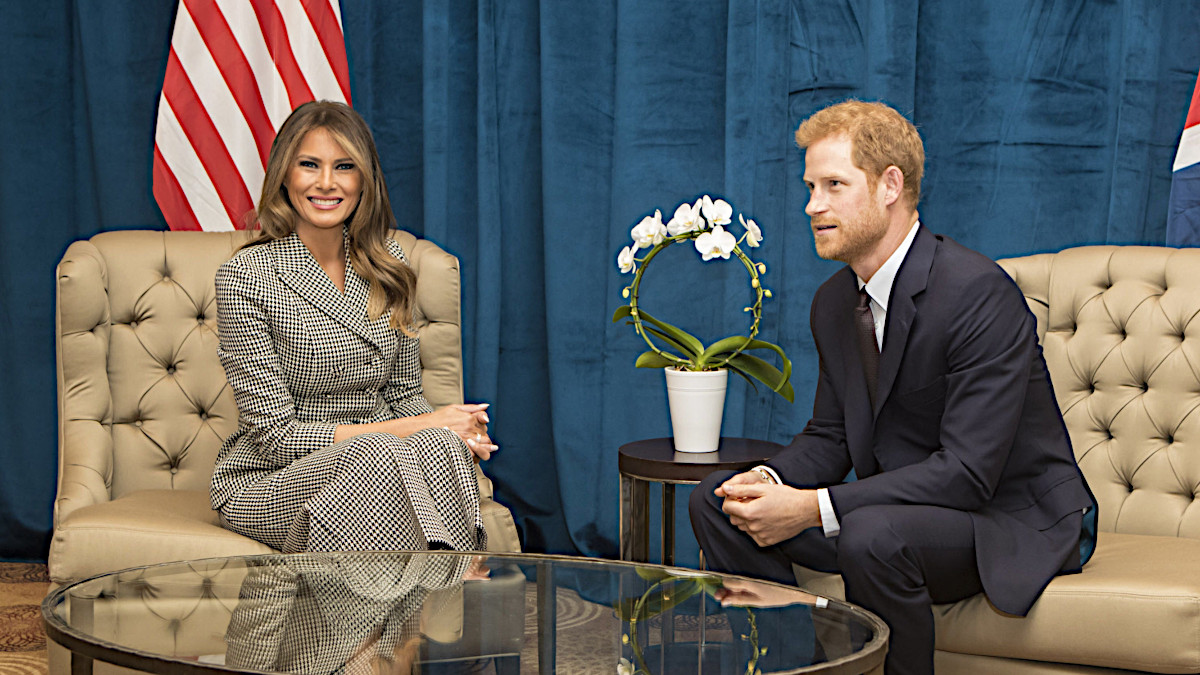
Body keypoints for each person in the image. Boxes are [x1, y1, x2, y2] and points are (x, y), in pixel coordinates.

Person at [689, 100, 1097, 675]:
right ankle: (792, 664)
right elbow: (830, 437)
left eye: (833, 184)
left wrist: (812, 507)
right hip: (893, 516)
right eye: (810, 186)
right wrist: (768, 480)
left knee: (871, 534)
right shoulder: (833, 302)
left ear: (890, 185)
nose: (812, 205)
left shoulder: (978, 292)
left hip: (1005, 518)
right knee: (717, 498)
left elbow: (968, 472)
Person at [211, 100, 497, 554]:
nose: (326, 183)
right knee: (381, 454)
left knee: (428, 448)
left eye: (344, 167)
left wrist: (451, 432)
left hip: (386, 464)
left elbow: (403, 395)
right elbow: (275, 438)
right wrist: (420, 427)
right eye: (309, 165)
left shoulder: (390, 264)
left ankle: (436, 605)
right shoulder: (248, 275)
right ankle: (409, 610)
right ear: (285, 174)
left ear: (364, 180)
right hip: (272, 478)